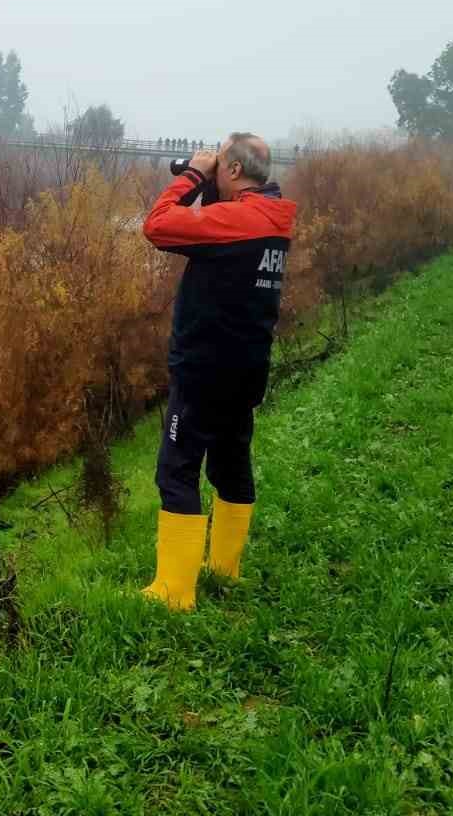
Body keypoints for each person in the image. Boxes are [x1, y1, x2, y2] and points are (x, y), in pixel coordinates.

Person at [138, 132, 297, 610]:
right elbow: (220, 253)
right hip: (247, 366)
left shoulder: (235, 220)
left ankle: (173, 593)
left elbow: (158, 226)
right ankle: (225, 571)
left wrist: (191, 175)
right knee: (231, 466)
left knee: (177, 471)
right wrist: (212, 184)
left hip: (204, 368)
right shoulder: (274, 219)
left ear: (231, 171)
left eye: (218, 166)